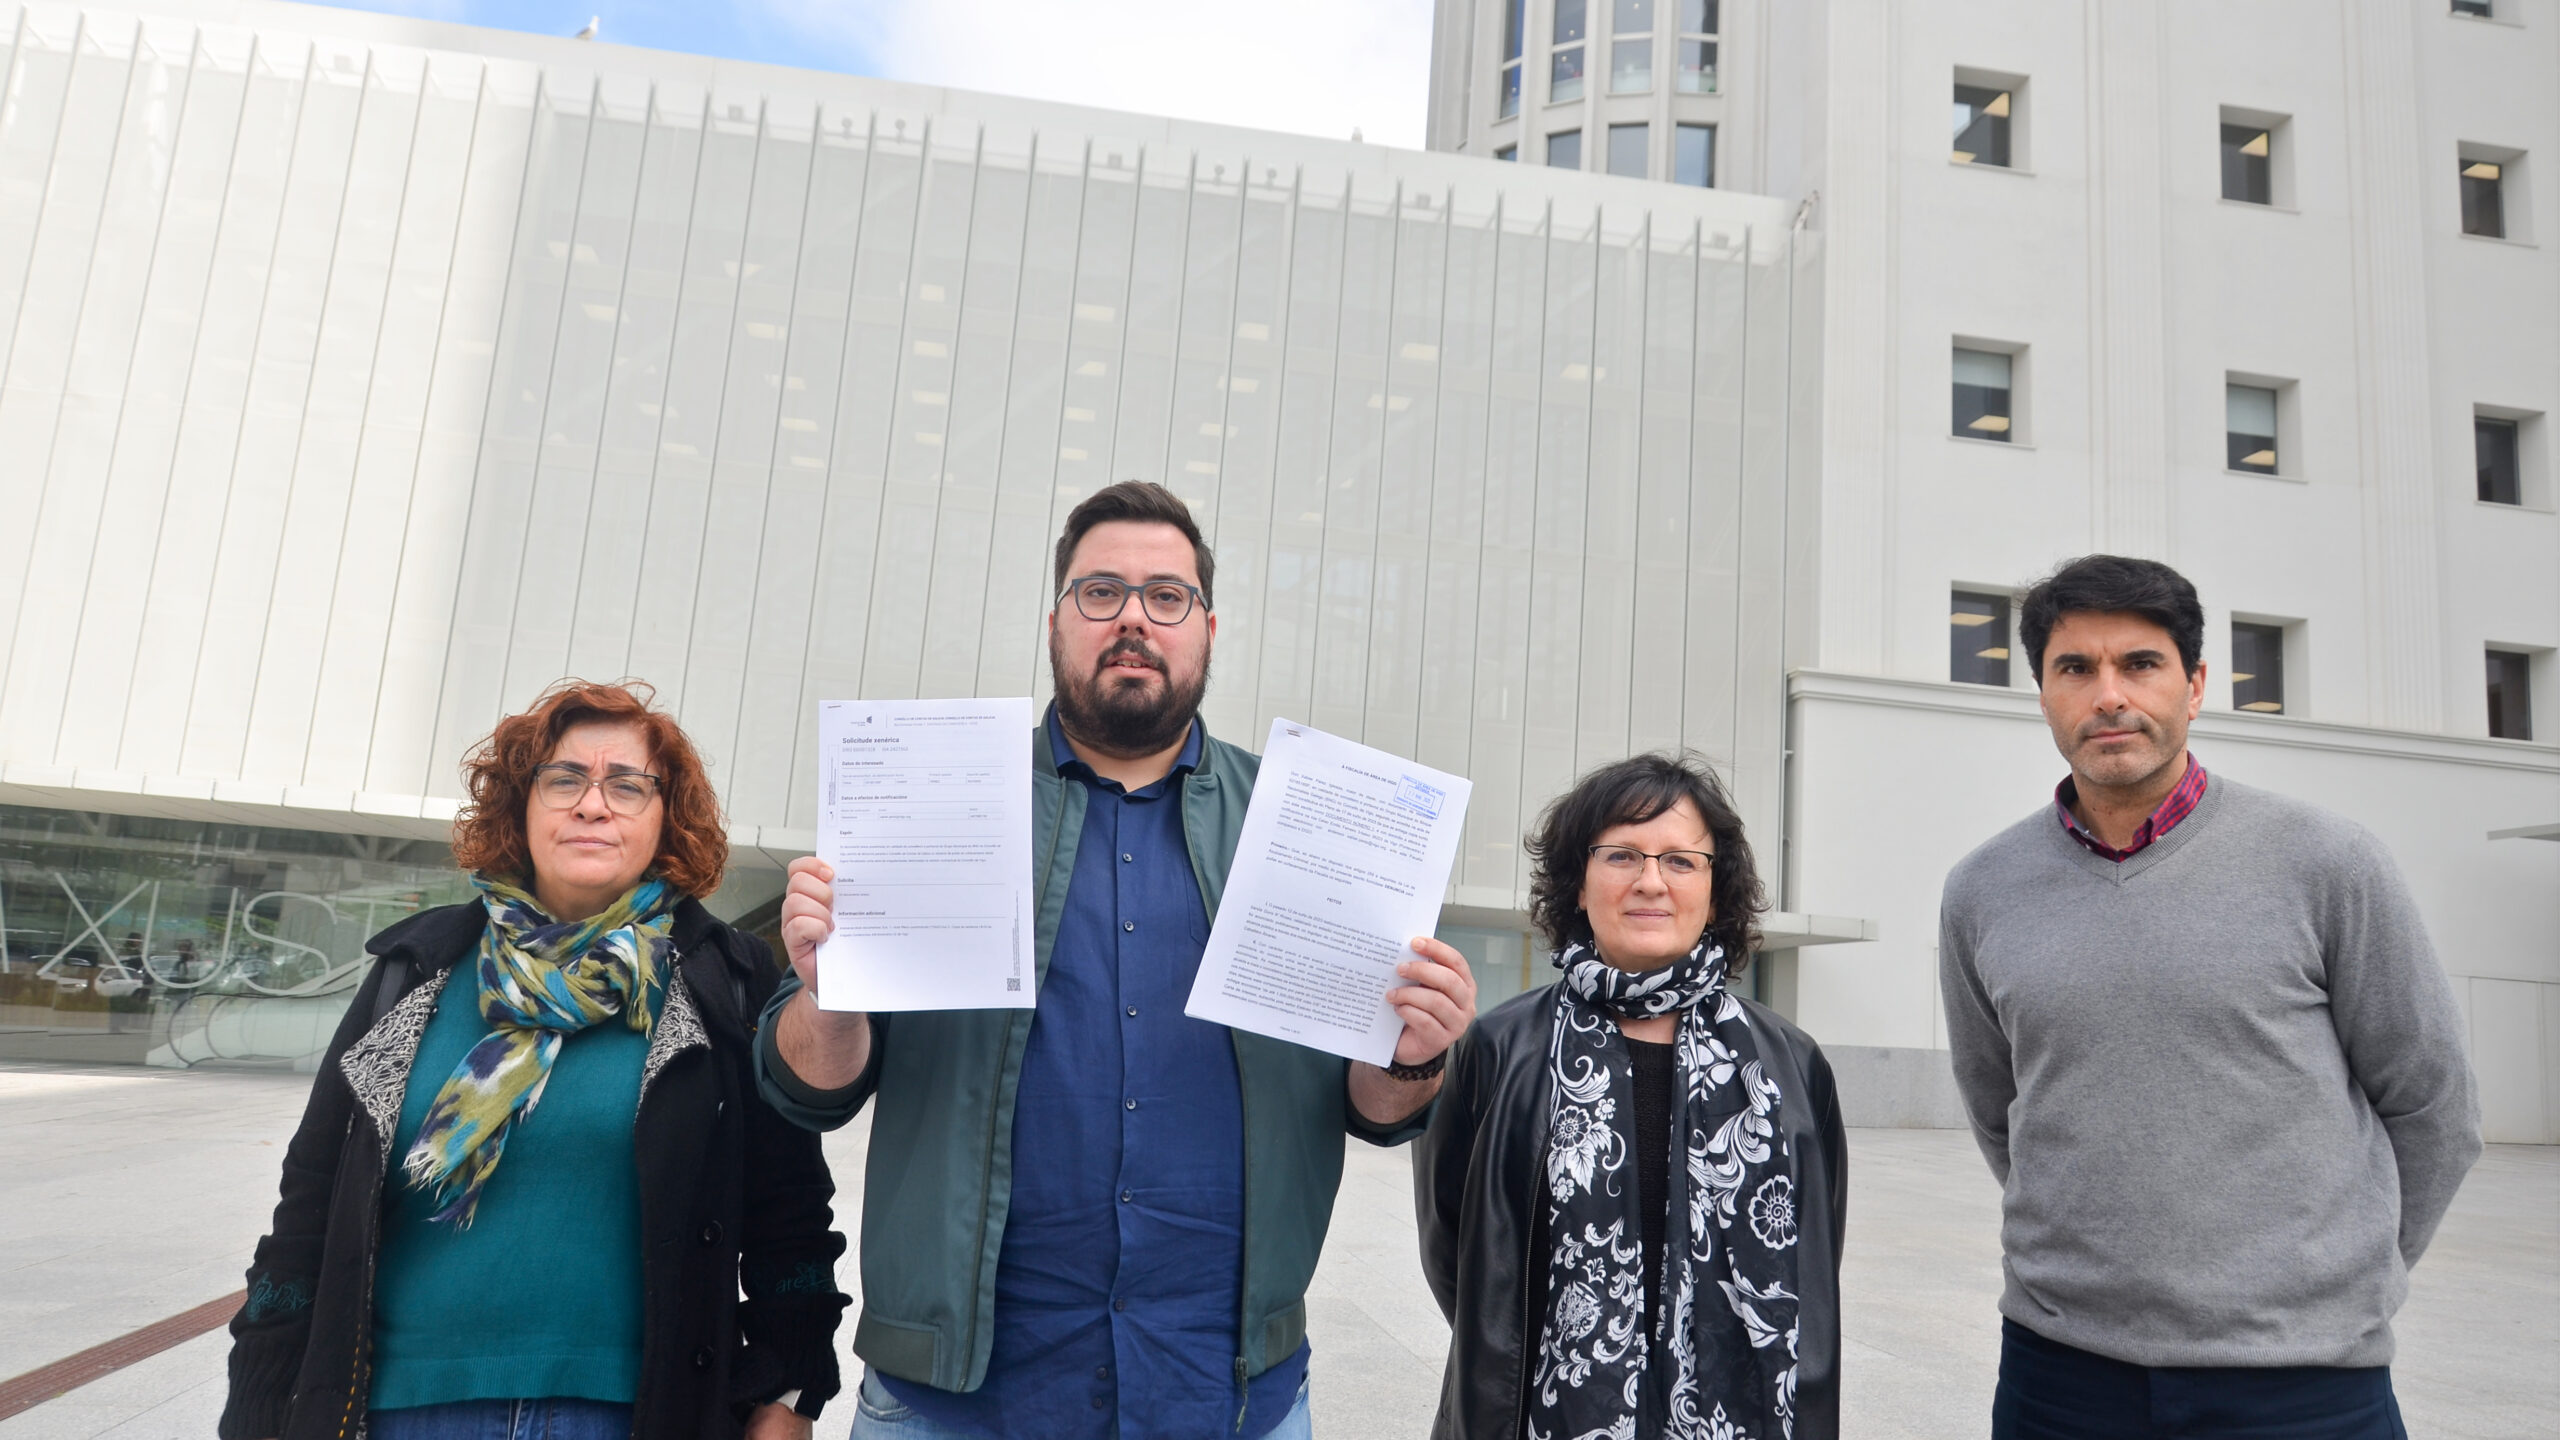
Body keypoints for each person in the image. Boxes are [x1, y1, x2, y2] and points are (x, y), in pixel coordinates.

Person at [752, 480, 1479, 1440]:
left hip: (1224, 1398)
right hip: (956, 1404)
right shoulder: (930, 801)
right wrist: (830, 992)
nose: (1133, 618)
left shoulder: (1306, 829)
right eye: (1101, 592)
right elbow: (809, 1090)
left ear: (1207, 629)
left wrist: (1416, 1054)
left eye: (1166, 596)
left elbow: (1376, 1112)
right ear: (1056, 621)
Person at [1938, 555, 2481, 1440]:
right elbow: (2002, 1110)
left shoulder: (2327, 863)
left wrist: (2340, 1285)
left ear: (2194, 686)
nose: (2108, 695)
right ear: (2042, 694)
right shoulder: (1983, 889)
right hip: (2061, 1375)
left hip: (2301, 1382)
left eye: (2140, 664)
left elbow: (2433, 1105)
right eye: (2075, 668)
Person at [221, 681, 848, 1440]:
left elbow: (789, 1210)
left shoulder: (726, 979)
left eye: (628, 785)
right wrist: (260, 1398)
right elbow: (310, 1202)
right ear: (521, 807)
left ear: (666, 819)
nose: (593, 805)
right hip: (401, 1409)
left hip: (633, 1413)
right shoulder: (416, 971)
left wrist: (790, 1389)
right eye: (564, 780)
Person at [1415, 753, 1846, 1440]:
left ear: (1714, 892)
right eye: (1621, 856)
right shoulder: (1498, 1048)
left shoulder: (1791, 1064)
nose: (1651, 881)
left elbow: (1810, 1260)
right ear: (1578, 886)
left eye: (1680, 861)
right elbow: (1455, 1253)